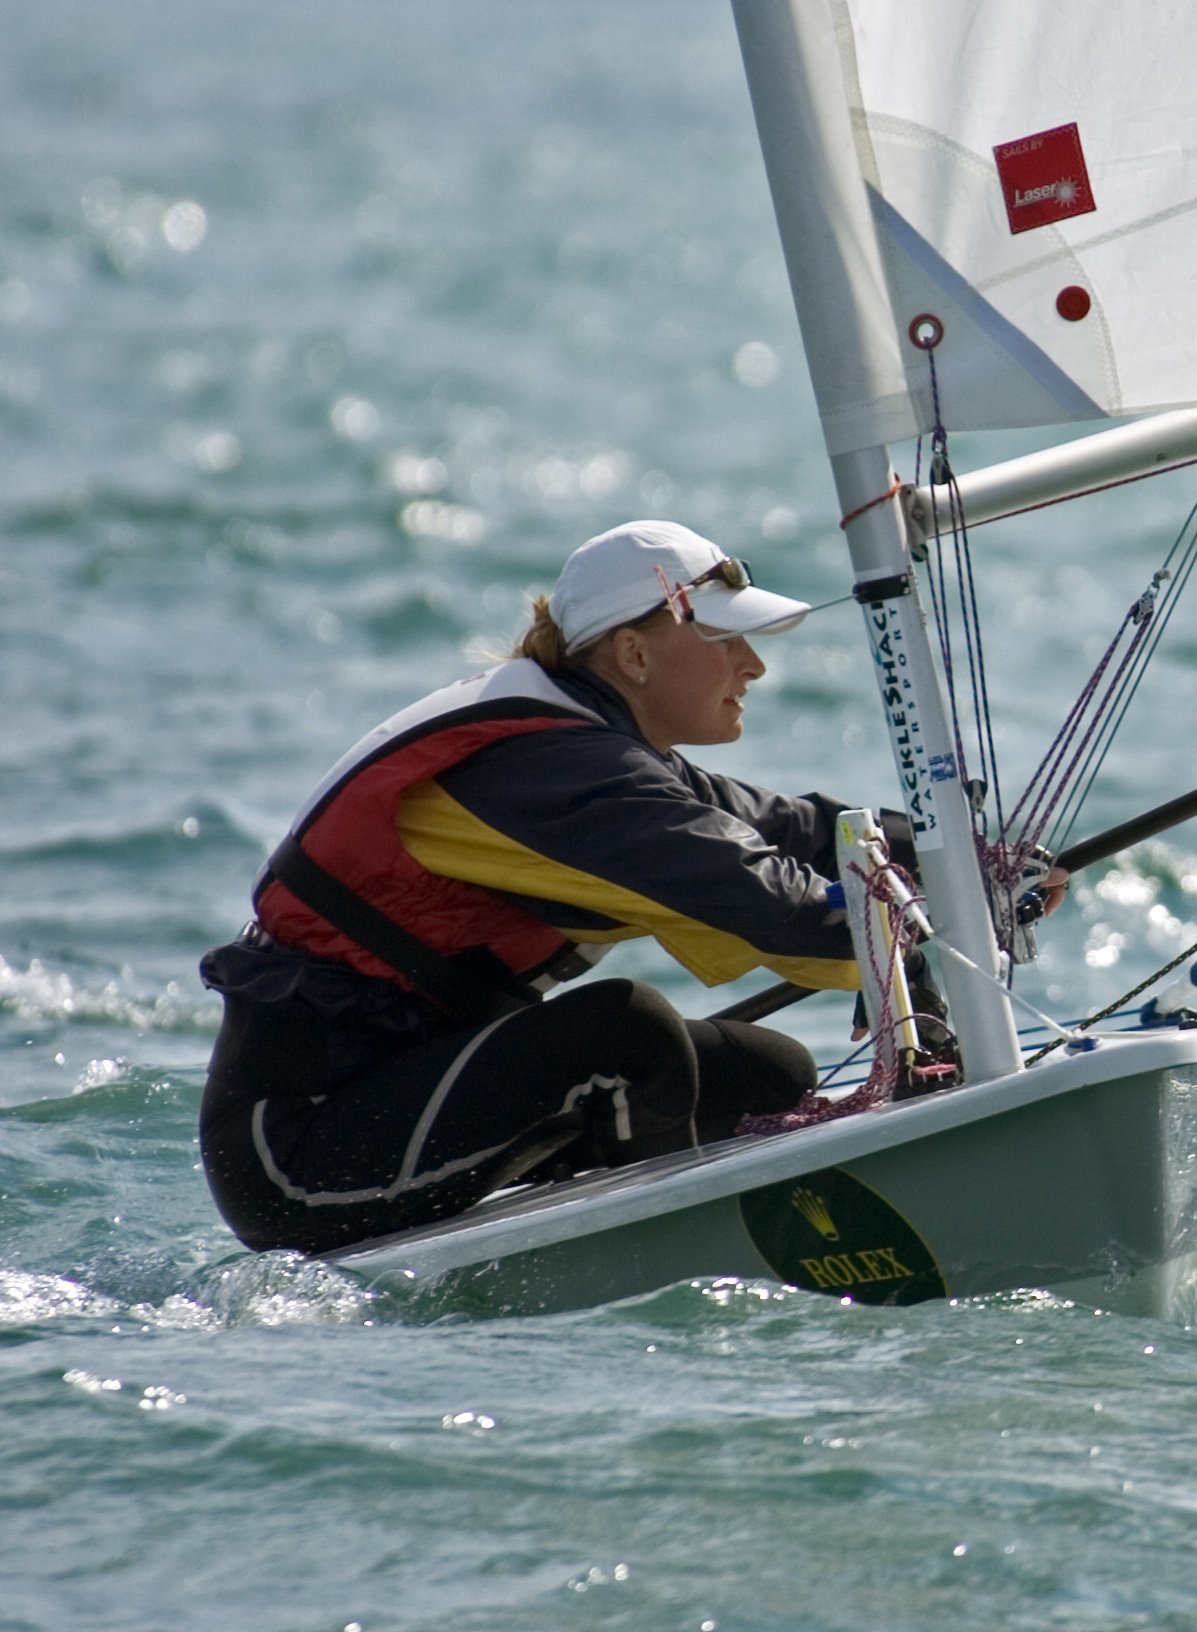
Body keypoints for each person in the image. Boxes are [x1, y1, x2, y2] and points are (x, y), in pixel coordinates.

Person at [198, 520, 990, 1255]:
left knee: (767, 1077)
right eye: (725, 641)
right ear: (633, 655)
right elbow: (769, 900)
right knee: (627, 1033)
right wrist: (917, 921)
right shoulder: (551, 768)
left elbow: (794, 830)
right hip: (297, 1160)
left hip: (403, 1092)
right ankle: (686, 1262)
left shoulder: (588, 744)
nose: (753, 666)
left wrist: (974, 858)